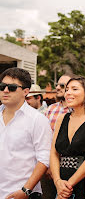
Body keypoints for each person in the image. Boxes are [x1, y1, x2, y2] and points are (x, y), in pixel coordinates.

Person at [0, 67, 53, 199]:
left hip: (21, 193)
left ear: (26, 91)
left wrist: (26, 190)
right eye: (2, 86)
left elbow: (44, 158)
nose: (5, 91)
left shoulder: (38, 120)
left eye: (11, 87)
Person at [50, 77, 85, 199]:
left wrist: (68, 185)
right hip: (60, 186)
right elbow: (54, 153)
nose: (68, 93)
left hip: (82, 185)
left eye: (74, 89)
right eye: (67, 89)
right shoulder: (62, 118)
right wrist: (58, 182)